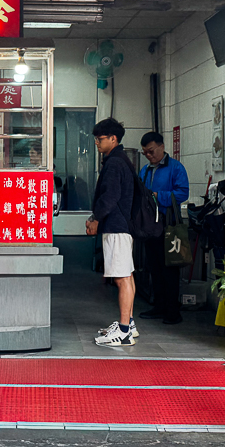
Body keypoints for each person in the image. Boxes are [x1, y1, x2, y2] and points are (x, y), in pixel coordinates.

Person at [87, 117, 138, 347]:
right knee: (127, 275)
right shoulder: (120, 159)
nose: (97, 143)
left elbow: (110, 196)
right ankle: (130, 325)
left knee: (121, 278)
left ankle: (124, 330)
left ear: (113, 139)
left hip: (116, 226)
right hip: (122, 226)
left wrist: (96, 218)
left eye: (100, 139)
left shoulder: (115, 163)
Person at [137, 131, 190, 325]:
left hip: (168, 225)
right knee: (154, 267)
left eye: (151, 151)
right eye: (145, 153)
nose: (149, 156)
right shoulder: (145, 170)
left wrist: (159, 196)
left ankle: (172, 310)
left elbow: (182, 193)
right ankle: (159, 305)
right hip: (150, 226)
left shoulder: (175, 168)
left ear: (161, 147)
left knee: (170, 268)